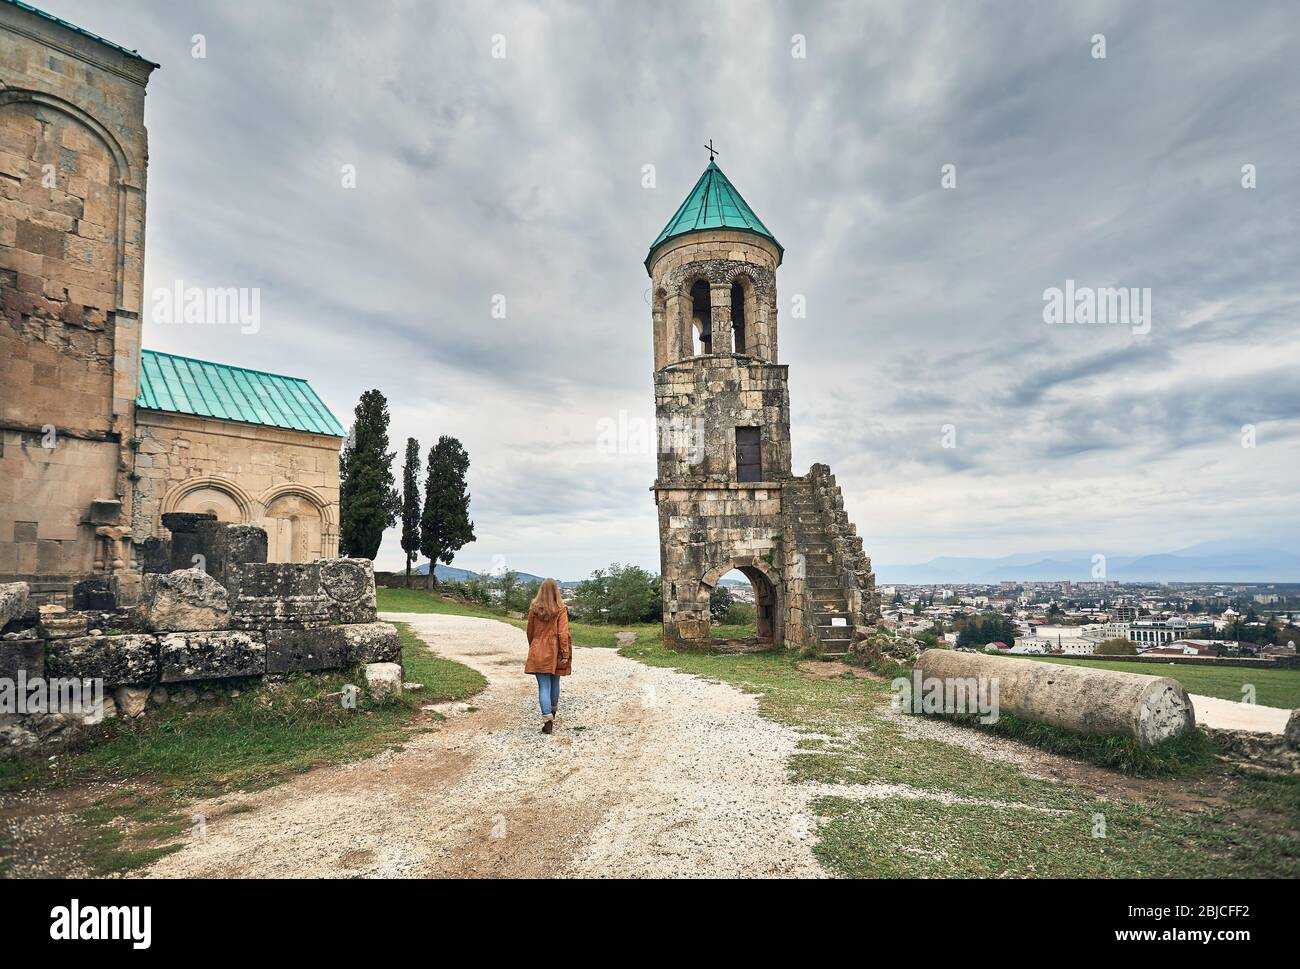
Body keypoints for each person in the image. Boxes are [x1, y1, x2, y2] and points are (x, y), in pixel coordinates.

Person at [523, 578, 572, 734]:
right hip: (555, 649)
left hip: (538, 648)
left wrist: (534, 645)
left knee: (543, 686)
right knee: (555, 681)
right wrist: (565, 652)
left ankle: (547, 719)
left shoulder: (533, 609)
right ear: (556, 590)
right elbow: (563, 633)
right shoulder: (560, 609)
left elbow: (529, 631)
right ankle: (553, 712)